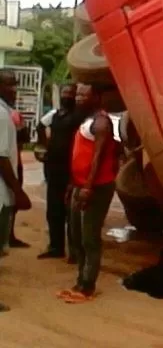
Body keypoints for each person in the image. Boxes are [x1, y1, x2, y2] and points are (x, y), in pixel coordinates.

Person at [58, 83, 119, 303]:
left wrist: (87, 187)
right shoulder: (86, 120)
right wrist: (73, 185)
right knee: (76, 235)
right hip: (79, 185)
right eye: (78, 95)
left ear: (97, 97)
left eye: (84, 95)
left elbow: (98, 158)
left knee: (89, 237)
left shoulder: (101, 123)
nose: (78, 99)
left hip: (95, 187)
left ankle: (87, 285)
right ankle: (80, 279)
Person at [37, 84, 84, 261]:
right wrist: (44, 146)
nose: (67, 96)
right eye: (64, 93)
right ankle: (55, 247)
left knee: (71, 213)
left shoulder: (79, 117)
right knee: (53, 210)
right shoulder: (55, 115)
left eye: (70, 94)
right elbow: (40, 126)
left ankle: (75, 252)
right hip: (53, 169)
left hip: (71, 170)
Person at [0, 69, 30, 312]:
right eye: (9, 85)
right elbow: (1, 158)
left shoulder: (7, 113)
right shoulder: (0, 115)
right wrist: (18, 191)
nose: (14, 90)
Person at [8, 107, 32, 248]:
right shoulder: (14, 115)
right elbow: (25, 138)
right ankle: (8, 235)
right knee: (12, 199)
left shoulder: (13, 114)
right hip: (13, 162)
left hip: (14, 161)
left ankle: (9, 234)